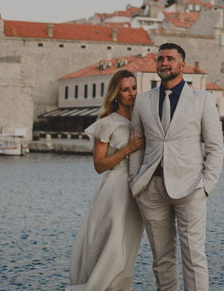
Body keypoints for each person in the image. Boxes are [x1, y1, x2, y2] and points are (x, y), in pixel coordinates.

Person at [130, 43, 224, 291]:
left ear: (182, 65)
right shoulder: (142, 100)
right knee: (161, 259)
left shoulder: (202, 99)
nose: (164, 63)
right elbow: (137, 145)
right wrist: (135, 183)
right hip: (151, 189)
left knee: (194, 257)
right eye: (160, 59)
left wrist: (206, 186)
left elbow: (215, 147)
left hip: (191, 188)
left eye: (170, 58)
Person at [69, 69, 146, 291]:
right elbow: (99, 166)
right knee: (113, 248)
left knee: (127, 248)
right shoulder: (107, 123)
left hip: (137, 190)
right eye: (125, 90)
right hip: (115, 190)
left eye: (134, 88)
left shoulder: (143, 119)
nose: (131, 93)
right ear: (116, 94)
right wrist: (127, 149)